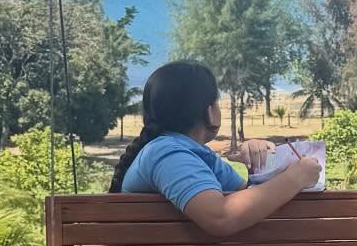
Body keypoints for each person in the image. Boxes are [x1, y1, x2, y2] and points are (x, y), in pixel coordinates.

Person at [109, 60, 320, 236]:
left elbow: (247, 200)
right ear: (210, 111)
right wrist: (295, 178)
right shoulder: (167, 153)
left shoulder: (194, 154)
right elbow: (221, 217)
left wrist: (258, 167)